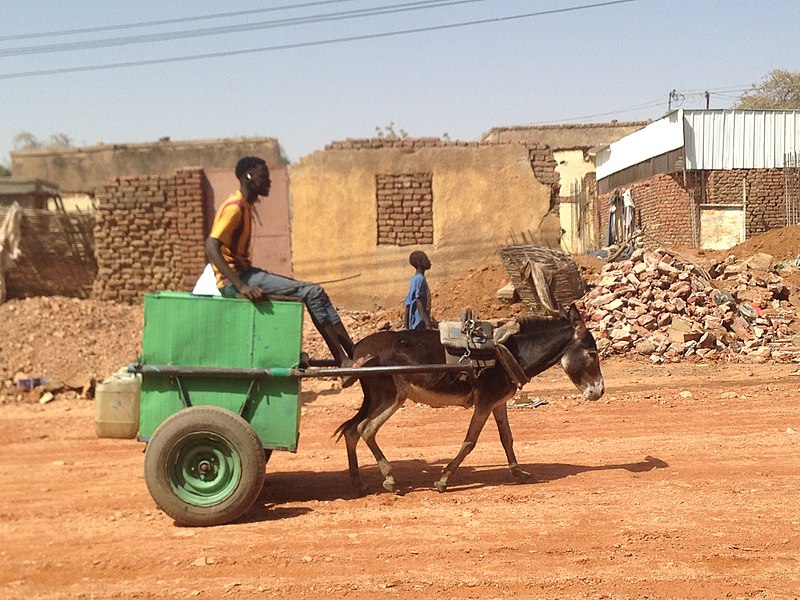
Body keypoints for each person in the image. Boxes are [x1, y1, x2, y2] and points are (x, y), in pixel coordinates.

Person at [205, 156, 364, 374]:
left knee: (318, 292)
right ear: (249, 177)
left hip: (246, 273)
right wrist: (241, 286)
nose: (269, 182)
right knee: (312, 292)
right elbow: (211, 247)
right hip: (237, 279)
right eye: (264, 177)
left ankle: (353, 353)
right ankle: (342, 360)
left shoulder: (245, 205)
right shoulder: (235, 207)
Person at [404, 250, 437, 330]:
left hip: (414, 324)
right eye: (426, 259)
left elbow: (408, 304)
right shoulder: (420, 279)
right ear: (419, 262)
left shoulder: (414, 279)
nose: (429, 261)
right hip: (420, 323)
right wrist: (427, 322)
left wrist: (406, 326)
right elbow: (418, 301)